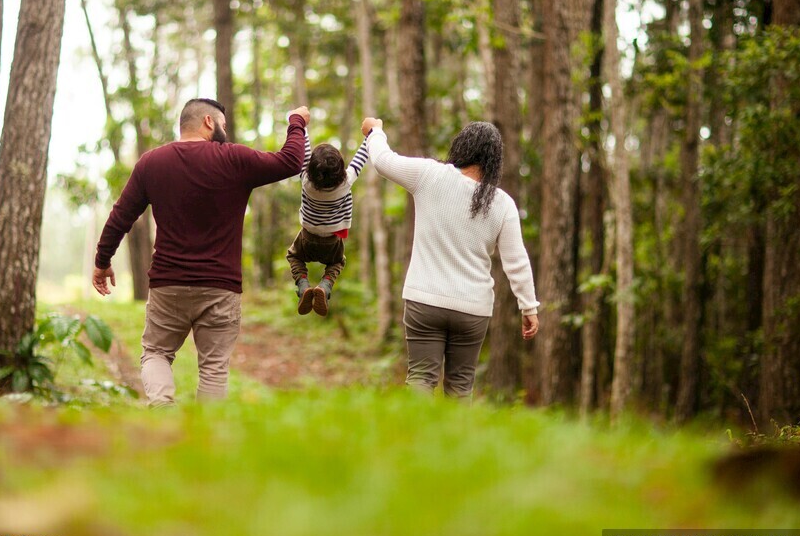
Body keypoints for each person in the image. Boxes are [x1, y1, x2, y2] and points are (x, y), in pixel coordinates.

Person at [93, 98, 310, 406]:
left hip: (169, 284)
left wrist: (102, 261)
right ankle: (204, 439)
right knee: (213, 368)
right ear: (209, 122)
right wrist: (296, 121)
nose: (225, 129)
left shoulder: (152, 163)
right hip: (221, 287)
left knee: (156, 353)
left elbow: (121, 216)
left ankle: (163, 408)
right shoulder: (235, 159)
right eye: (223, 123)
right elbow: (291, 161)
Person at [363, 117, 540, 398]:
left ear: (462, 148)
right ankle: (454, 442)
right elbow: (516, 261)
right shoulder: (502, 203)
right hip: (472, 309)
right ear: (494, 161)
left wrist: (375, 132)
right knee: (460, 389)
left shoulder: (429, 175)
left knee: (420, 380)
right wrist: (528, 307)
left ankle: (412, 440)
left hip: (425, 301)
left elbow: (383, 161)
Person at [286, 125, 370, 316]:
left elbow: (304, 149)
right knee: (337, 262)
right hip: (332, 238)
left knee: (294, 256)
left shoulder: (306, 180)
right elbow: (362, 156)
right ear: (340, 169)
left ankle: (303, 285)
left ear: (311, 170)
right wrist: (370, 135)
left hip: (307, 235)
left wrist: (302, 126)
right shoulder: (347, 181)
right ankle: (325, 286)